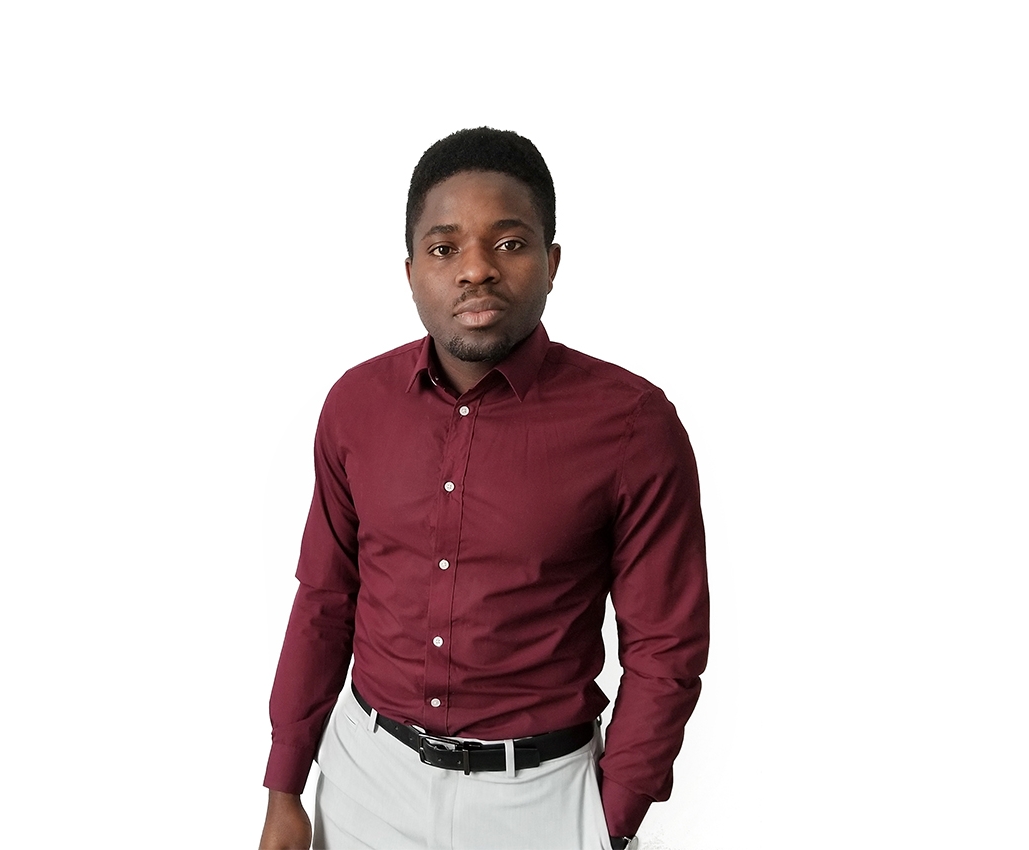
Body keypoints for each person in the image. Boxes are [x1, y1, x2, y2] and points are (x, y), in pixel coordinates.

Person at [258, 127, 710, 850]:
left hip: (540, 802)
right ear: (409, 271)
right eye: (444, 249)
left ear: (552, 262)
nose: (476, 270)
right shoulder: (355, 405)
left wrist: (610, 818)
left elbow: (667, 645)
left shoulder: (633, 425)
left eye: (509, 244)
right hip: (366, 781)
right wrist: (285, 786)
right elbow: (324, 597)